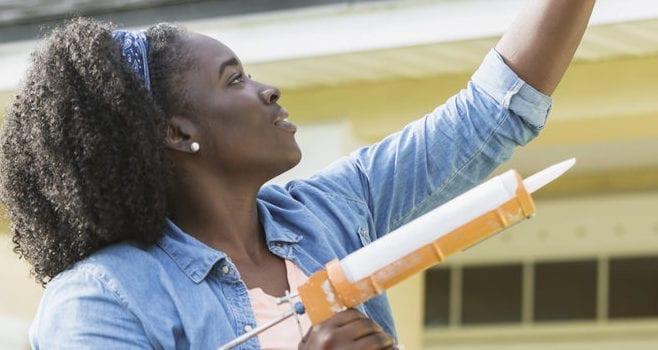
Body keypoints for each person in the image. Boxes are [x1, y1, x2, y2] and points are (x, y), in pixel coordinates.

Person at [0, 1, 595, 349]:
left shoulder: (329, 214)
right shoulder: (101, 298)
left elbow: (493, 111)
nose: (267, 89)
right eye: (234, 79)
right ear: (179, 134)